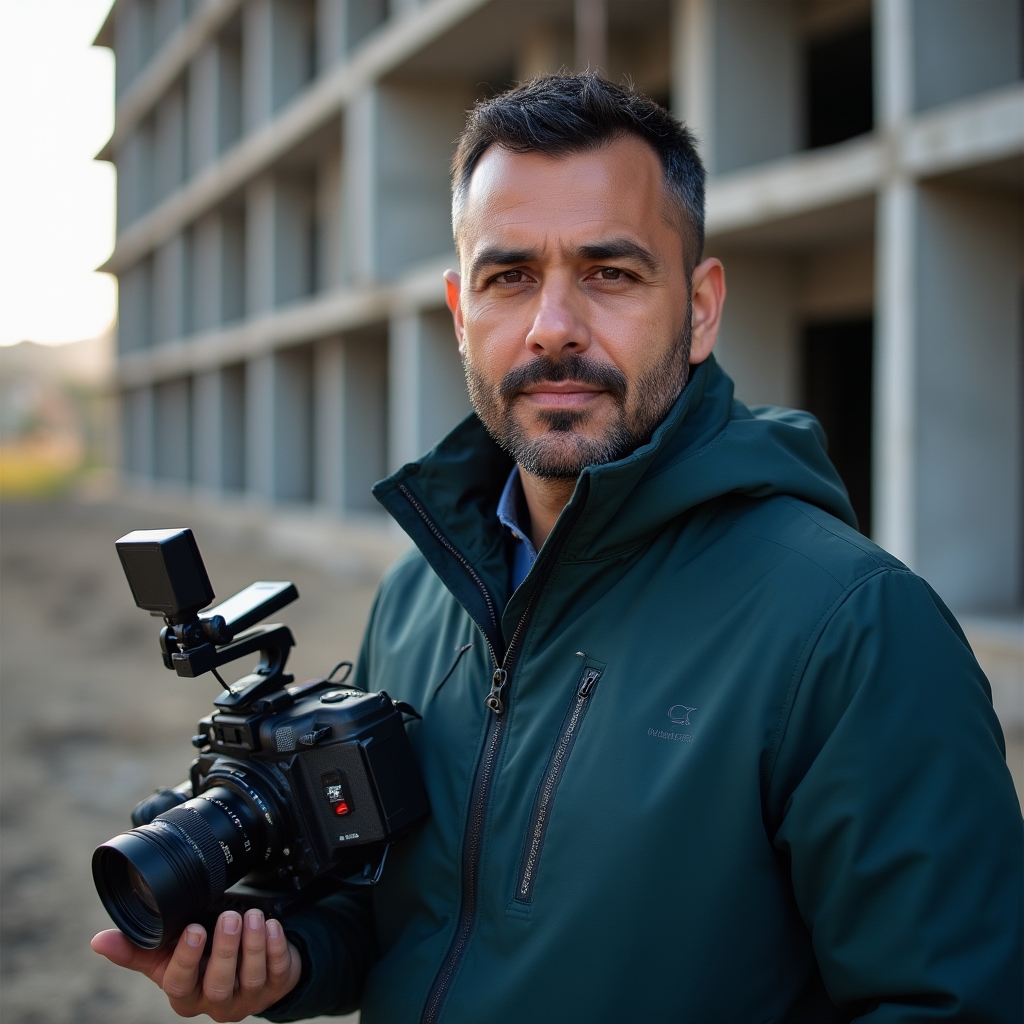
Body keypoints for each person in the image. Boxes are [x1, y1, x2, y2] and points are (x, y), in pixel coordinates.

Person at [92, 73, 1023, 1023]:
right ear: (462, 313)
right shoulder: (419, 595)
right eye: (510, 277)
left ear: (700, 309)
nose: (552, 329)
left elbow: (949, 1003)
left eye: (610, 273)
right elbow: (402, 917)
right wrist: (290, 960)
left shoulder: (853, 626)